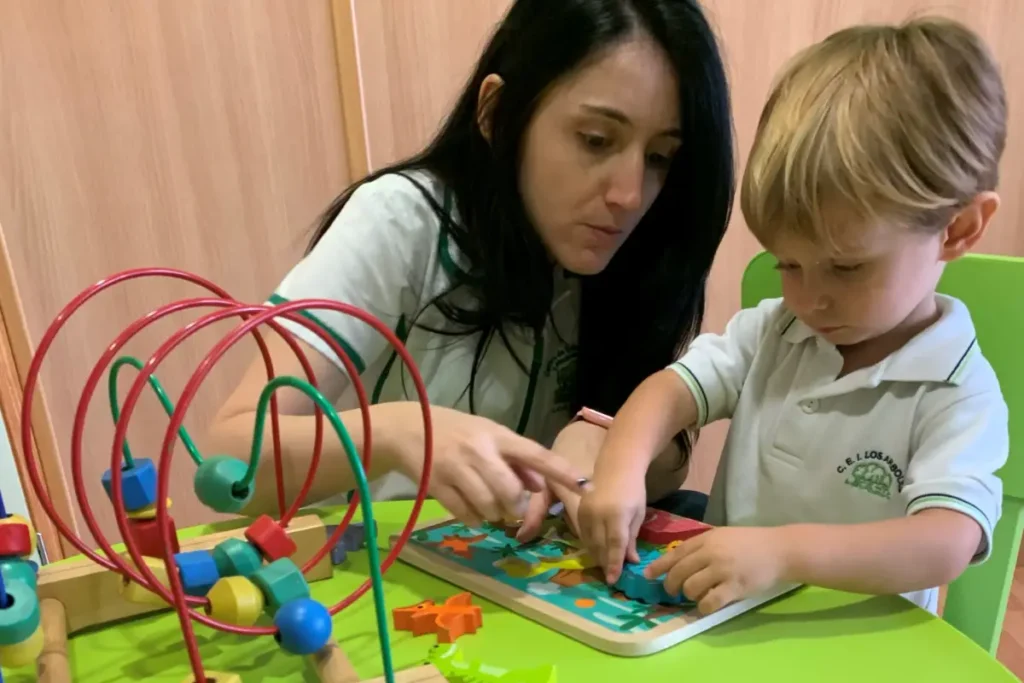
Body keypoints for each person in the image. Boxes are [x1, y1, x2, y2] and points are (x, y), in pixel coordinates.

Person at [205, 0, 735, 529]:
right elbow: (230, 455)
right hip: (379, 577)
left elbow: (670, 463)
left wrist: (609, 443)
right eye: (596, 140)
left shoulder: (641, 250)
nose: (629, 194)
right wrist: (399, 433)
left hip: (523, 582)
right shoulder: (404, 220)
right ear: (498, 114)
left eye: (660, 157)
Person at [574, 16, 1009, 616]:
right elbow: (670, 391)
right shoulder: (777, 330)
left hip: (855, 650)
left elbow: (946, 542)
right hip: (720, 624)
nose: (810, 300)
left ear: (957, 229)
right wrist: (620, 468)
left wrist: (782, 554)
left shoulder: (957, 390)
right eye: (788, 265)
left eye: (848, 268)